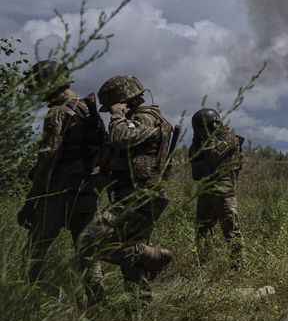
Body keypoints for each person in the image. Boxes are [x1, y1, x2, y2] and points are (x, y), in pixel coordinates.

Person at [77, 74, 175, 296]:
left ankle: (155, 255)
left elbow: (121, 138)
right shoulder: (141, 120)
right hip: (139, 195)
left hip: (138, 196)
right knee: (132, 265)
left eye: (115, 105)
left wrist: (117, 114)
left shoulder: (147, 118)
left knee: (87, 242)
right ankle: (139, 306)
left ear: (126, 101)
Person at [17, 60, 105, 298]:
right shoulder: (88, 110)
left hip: (58, 193)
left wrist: (30, 201)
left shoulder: (58, 113)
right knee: (86, 249)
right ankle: (97, 297)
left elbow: (47, 160)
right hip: (86, 189)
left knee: (33, 253)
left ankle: (47, 299)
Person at [189, 108, 244, 265]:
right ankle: (203, 264)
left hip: (224, 191)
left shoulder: (229, 138)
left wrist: (209, 135)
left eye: (201, 129)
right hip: (206, 190)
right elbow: (192, 156)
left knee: (231, 230)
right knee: (203, 231)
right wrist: (196, 139)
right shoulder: (201, 141)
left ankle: (237, 265)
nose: (200, 133)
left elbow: (213, 154)